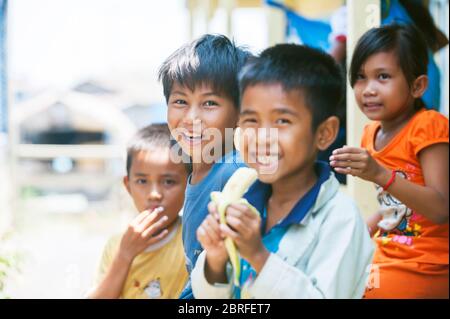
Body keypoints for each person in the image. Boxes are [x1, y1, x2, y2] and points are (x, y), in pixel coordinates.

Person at [191, 44, 374, 298]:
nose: (262, 138)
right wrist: (215, 260)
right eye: (251, 120)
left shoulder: (340, 218)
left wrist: (258, 256)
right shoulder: (242, 191)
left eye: (282, 121)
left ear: (324, 133)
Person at [330, 24, 449, 298]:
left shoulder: (428, 126)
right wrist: (356, 232)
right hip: (390, 255)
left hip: (428, 262)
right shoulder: (371, 134)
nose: (368, 89)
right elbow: (392, 209)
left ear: (417, 86)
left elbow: (441, 207)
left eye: (382, 77)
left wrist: (380, 174)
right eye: (360, 77)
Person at [158, 34, 252, 298]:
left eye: (209, 103)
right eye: (180, 102)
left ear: (241, 112)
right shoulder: (194, 170)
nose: (191, 118)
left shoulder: (235, 175)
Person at [88, 124, 189, 299]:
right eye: (142, 181)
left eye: (168, 182)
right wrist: (125, 255)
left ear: (189, 184)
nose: (154, 194)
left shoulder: (192, 240)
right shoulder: (116, 246)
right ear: (128, 186)